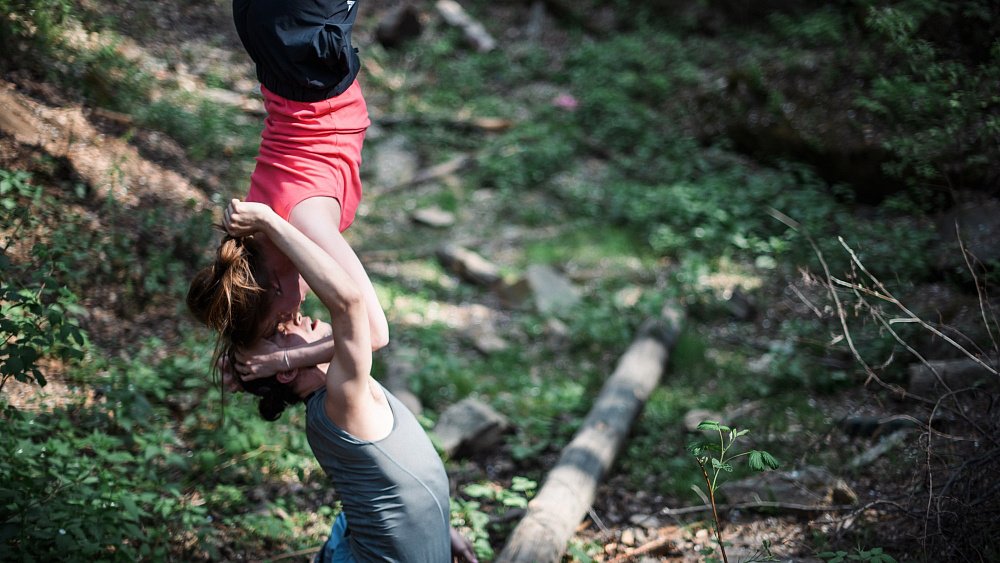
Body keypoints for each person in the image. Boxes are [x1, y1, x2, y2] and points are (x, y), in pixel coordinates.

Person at [187, 199, 477, 563]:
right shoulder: (342, 400)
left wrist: (438, 525)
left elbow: (389, 485)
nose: (297, 318)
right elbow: (350, 305)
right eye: (282, 329)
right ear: (287, 371)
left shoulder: (337, 397)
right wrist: (271, 222)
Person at [229, 0, 389, 380]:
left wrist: (278, 360)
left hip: (304, 48)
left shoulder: (297, 226)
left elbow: (374, 334)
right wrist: (240, 360)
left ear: (275, 292)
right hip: (280, 42)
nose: (296, 316)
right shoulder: (255, 231)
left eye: (280, 323)